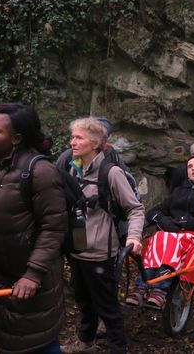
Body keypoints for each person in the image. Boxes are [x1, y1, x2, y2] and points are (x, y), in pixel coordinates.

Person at [0, 103, 67, 353]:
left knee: (38, 343)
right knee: (8, 341)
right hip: (4, 277)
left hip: (34, 282)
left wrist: (33, 274)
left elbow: (54, 227)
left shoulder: (40, 172)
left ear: (16, 138)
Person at [61, 117, 144, 354]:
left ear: (96, 143)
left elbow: (135, 208)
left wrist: (134, 237)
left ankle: (118, 347)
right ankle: (86, 342)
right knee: (84, 303)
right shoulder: (72, 168)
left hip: (100, 254)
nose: (72, 142)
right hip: (78, 249)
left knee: (107, 307)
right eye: (72, 137)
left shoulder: (111, 172)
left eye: (79, 138)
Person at [125, 156, 194, 308]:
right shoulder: (178, 191)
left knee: (169, 238)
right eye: (189, 166)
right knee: (159, 235)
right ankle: (141, 288)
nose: (193, 168)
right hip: (173, 234)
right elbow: (154, 211)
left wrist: (186, 223)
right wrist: (162, 220)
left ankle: (160, 290)